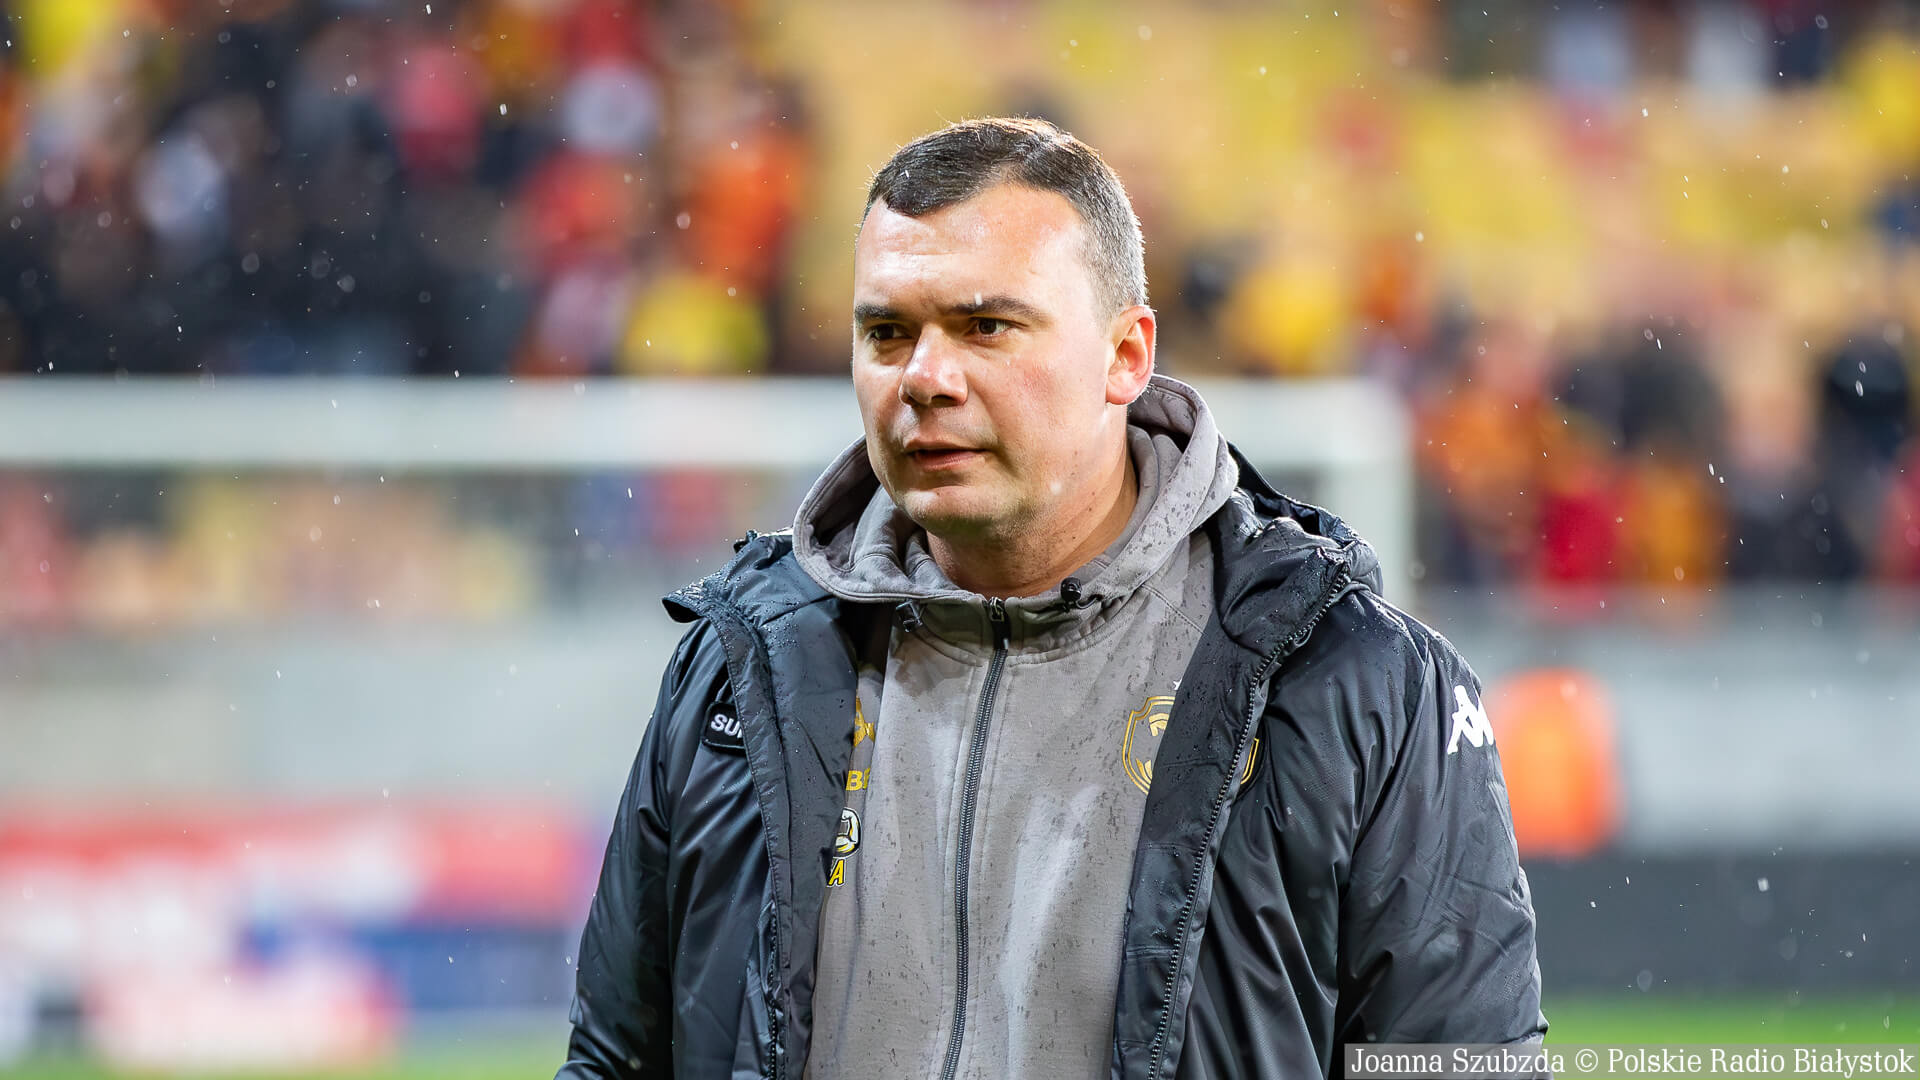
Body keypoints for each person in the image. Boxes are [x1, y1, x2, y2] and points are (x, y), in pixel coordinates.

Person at [556, 117, 1545, 1080]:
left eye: (986, 326)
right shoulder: (742, 668)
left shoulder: (1353, 682)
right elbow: (616, 1059)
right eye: (888, 333)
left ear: (1126, 356)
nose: (925, 378)